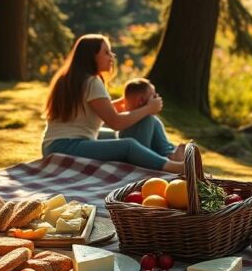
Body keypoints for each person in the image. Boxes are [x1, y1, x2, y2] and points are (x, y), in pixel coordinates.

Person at [41, 34, 185, 173]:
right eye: (106, 52)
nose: (112, 56)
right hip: (67, 146)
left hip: (54, 144)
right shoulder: (92, 82)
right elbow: (116, 122)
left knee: (122, 133)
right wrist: (148, 108)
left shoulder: (71, 78)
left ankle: (167, 155)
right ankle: (173, 167)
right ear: (92, 56)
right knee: (127, 144)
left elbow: (94, 110)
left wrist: (124, 103)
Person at [118, 78, 185, 162]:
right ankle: (171, 159)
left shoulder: (149, 119)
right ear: (141, 101)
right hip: (140, 156)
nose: (157, 99)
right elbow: (142, 152)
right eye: (154, 96)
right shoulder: (143, 119)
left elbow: (160, 145)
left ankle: (171, 155)